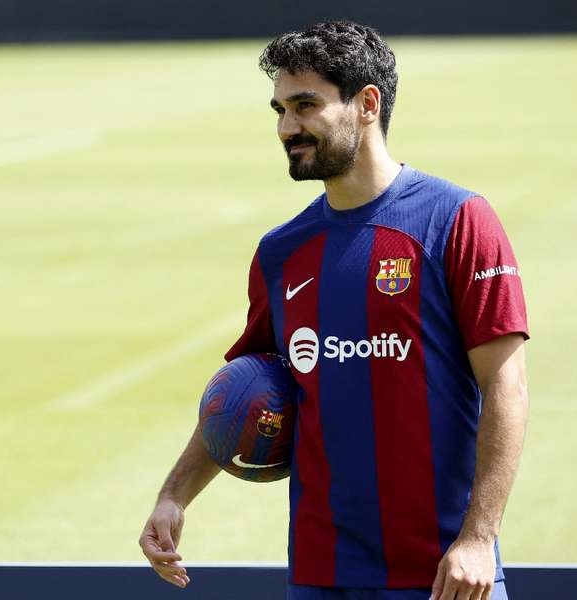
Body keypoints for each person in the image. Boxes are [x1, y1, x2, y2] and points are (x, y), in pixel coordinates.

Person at [139, 20, 530, 600]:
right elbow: (245, 389)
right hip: (321, 574)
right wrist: (173, 495)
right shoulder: (281, 251)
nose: (285, 127)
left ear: (367, 103)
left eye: (304, 105)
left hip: (444, 574)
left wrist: (479, 538)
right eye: (278, 109)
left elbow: (506, 388)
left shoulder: (457, 220)